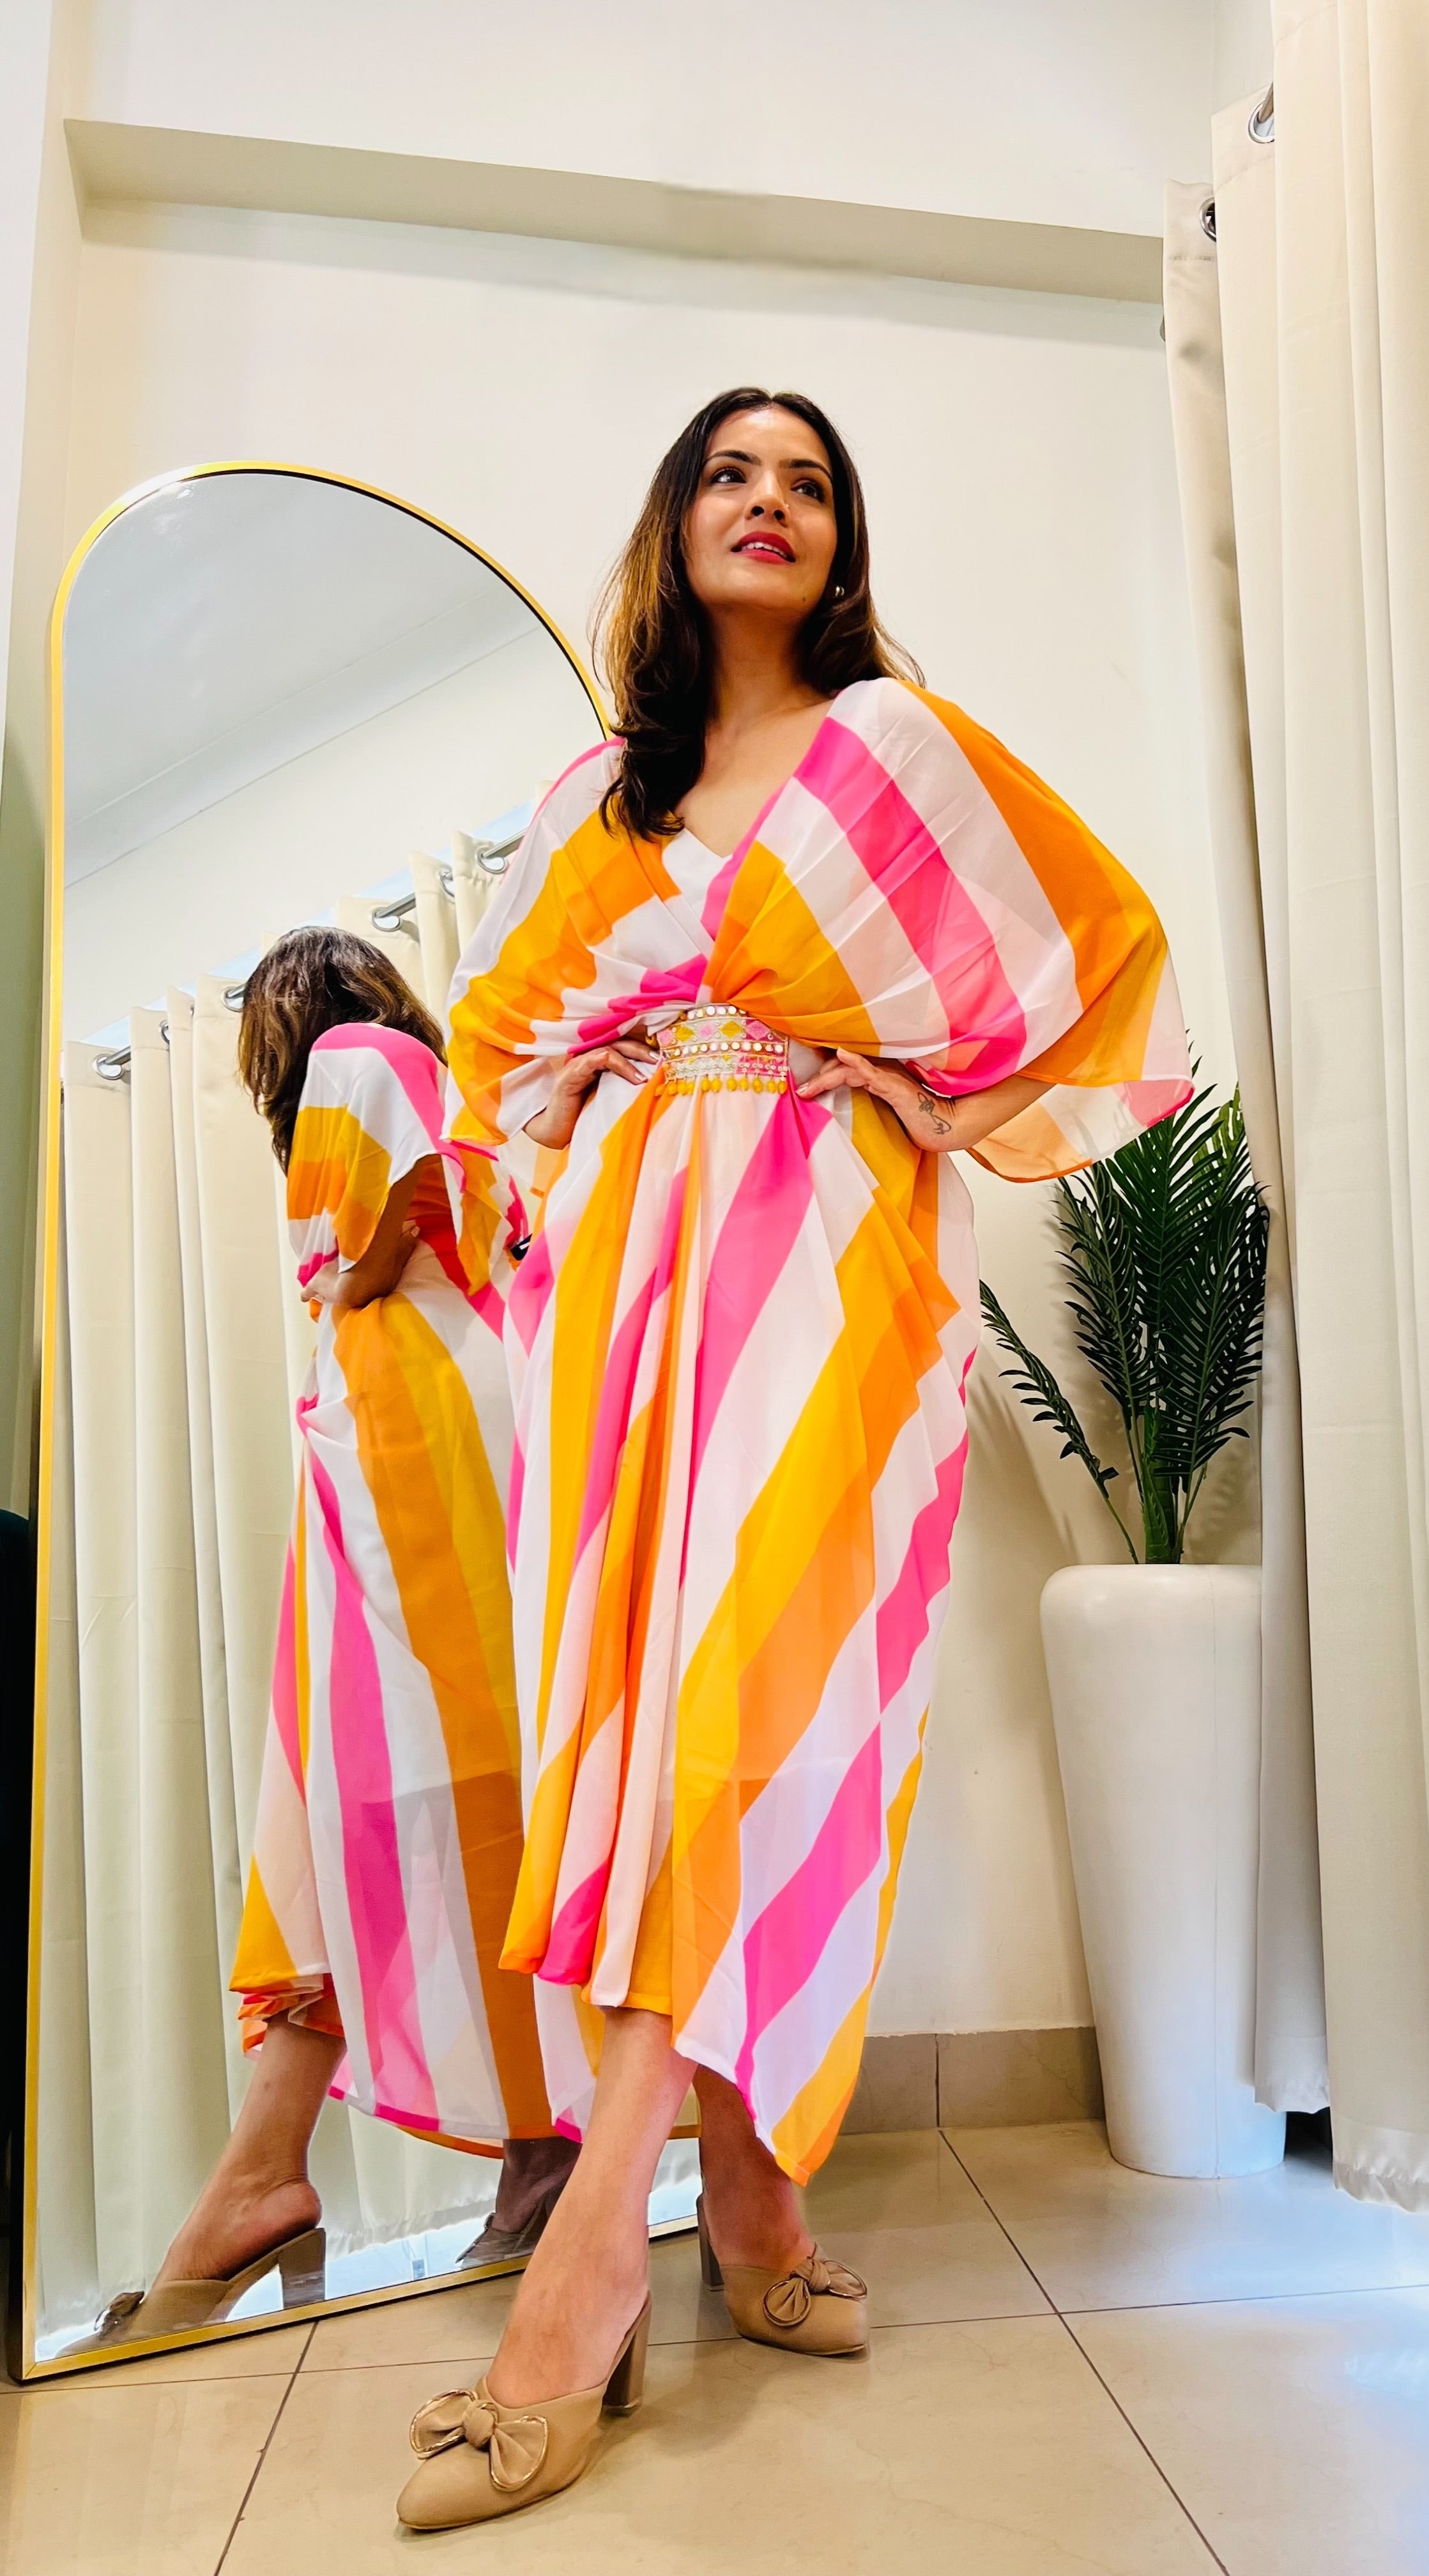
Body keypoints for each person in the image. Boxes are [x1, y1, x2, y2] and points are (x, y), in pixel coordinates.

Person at [400, 386, 1190, 2527]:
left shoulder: (889, 751)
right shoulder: (604, 795)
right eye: (730, 474)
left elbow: (1094, 953)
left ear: (841, 541)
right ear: (677, 523)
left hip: (831, 1259)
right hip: (633, 1291)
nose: (768, 502)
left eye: (808, 482)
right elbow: (498, 1045)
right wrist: (580, 1150)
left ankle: (589, 2269)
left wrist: (922, 1094)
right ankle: (748, 2195)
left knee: (756, 1697)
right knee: (647, 1715)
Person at [86, 930, 574, 2348]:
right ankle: (351, 2170)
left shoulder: (361, 1060)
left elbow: (355, 1252)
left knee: (420, 1801)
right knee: (420, 1803)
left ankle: (353, 2175)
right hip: (435, 1432)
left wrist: (347, 1277)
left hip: (414, 1443)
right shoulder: (438, 1077)